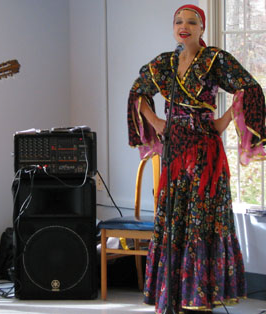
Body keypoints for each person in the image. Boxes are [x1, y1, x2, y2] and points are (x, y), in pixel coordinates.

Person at [127, 4, 266, 314]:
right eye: (179, 21)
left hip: (204, 154)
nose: (184, 26)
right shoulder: (165, 63)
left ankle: (199, 299)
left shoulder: (215, 59)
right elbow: (138, 91)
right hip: (175, 151)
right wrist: (156, 121)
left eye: (191, 21)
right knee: (174, 221)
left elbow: (250, 88)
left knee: (199, 224)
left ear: (202, 28)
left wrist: (231, 114)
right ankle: (173, 298)